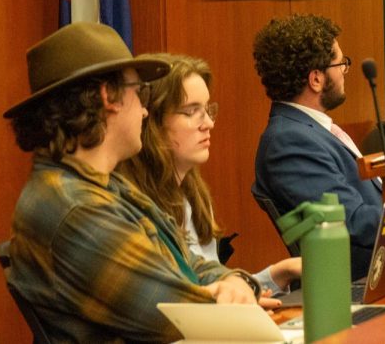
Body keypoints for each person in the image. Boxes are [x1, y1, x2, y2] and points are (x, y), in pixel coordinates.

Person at [2, 23, 259, 342]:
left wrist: (234, 281)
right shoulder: (76, 209)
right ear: (108, 96)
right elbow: (180, 317)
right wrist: (238, 297)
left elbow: (185, 262)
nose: (145, 111)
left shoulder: (101, 186)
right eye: (139, 93)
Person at [118, 54, 303, 298]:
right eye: (191, 111)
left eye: (207, 110)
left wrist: (279, 273)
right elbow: (183, 301)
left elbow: (214, 288)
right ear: (151, 120)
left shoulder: (194, 194)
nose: (208, 124)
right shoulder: (129, 204)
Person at [250, 14, 382, 280]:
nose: (345, 71)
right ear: (316, 79)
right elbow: (351, 221)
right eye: (341, 64)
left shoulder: (308, 131)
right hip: (360, 283)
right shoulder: (288, 143)